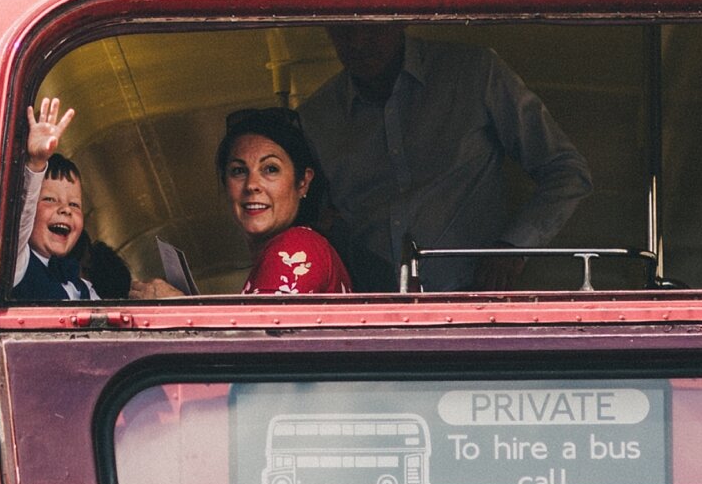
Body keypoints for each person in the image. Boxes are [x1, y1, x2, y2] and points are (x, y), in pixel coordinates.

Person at [299, 24, 592, 292]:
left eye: (374, 27)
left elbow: (566, 171)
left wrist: (513, 248)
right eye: (344, 29)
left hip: (477, 307)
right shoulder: (317, 116)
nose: (359, 41)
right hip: (370, 313)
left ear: (400, 17)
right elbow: (314, 217)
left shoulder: (474, 72)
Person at [135, 107, 352, 297]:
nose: (252, 185)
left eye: (270, 169)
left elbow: (261, 340)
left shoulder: (296, 247)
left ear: (303, 182)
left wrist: (176, 310)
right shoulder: (283, 252)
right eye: (238, 171)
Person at [12, 96, 98, 300]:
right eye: (50, 200)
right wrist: (36, 164)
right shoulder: (17, 265)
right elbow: (21, 220)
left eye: (74, 204)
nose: (65, 210)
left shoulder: (85, 289)